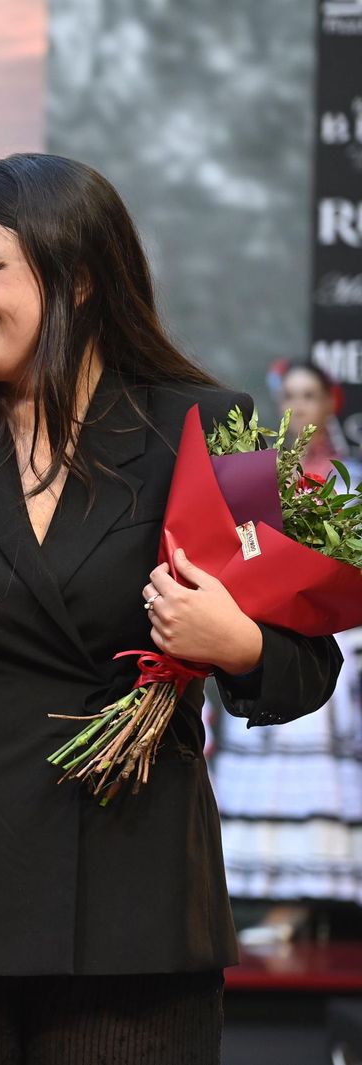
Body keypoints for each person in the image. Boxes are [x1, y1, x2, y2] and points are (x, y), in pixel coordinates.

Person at [0, 153, 344, 1064]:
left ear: (78, 275)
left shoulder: (215, 428)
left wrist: (237, 643)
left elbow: (307, 661)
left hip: (131, 912)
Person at [213, 358, 362, 938]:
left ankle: (314, 900)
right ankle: (282, 899)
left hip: (339, 634)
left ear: (330, 403)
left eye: (310, 395)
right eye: (290, 396)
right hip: (274, 629)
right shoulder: (263, 474)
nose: (299, 406)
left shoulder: (350, 474)